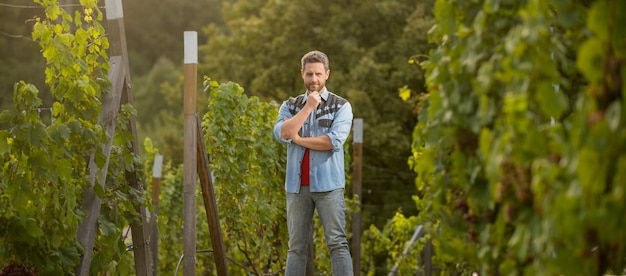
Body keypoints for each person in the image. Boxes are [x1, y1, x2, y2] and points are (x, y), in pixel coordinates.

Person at [273, 50, 354, 275]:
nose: (314, 79)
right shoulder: (290, 105)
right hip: (297, 188)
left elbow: (332, 141)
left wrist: (299, 139)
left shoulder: (341, 106)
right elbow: (283, 133)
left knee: (337, 243)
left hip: (329, 186)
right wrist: (308, 107)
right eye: (309, 74)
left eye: (318, 74)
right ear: (302, 74)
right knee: (296, 248)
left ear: (327, 74)